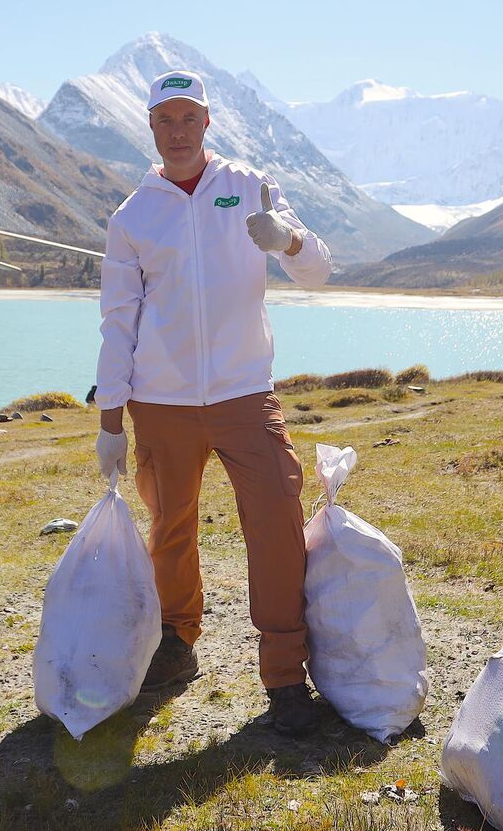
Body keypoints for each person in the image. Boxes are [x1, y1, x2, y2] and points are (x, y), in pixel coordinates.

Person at [95, 70, 334, 737]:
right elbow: (118, 321)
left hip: (243, 392)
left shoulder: (250, 188)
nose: (177, 131)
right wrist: (111, 419)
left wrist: (285, 240)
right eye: (165, 120)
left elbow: (319, 268)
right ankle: (177, 641)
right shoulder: (132, 216)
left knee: (277, 517)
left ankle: (285, 673)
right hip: (160, 401)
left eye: (188, 118)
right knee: (170, 524)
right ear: (150, 127)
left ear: (208, 124)